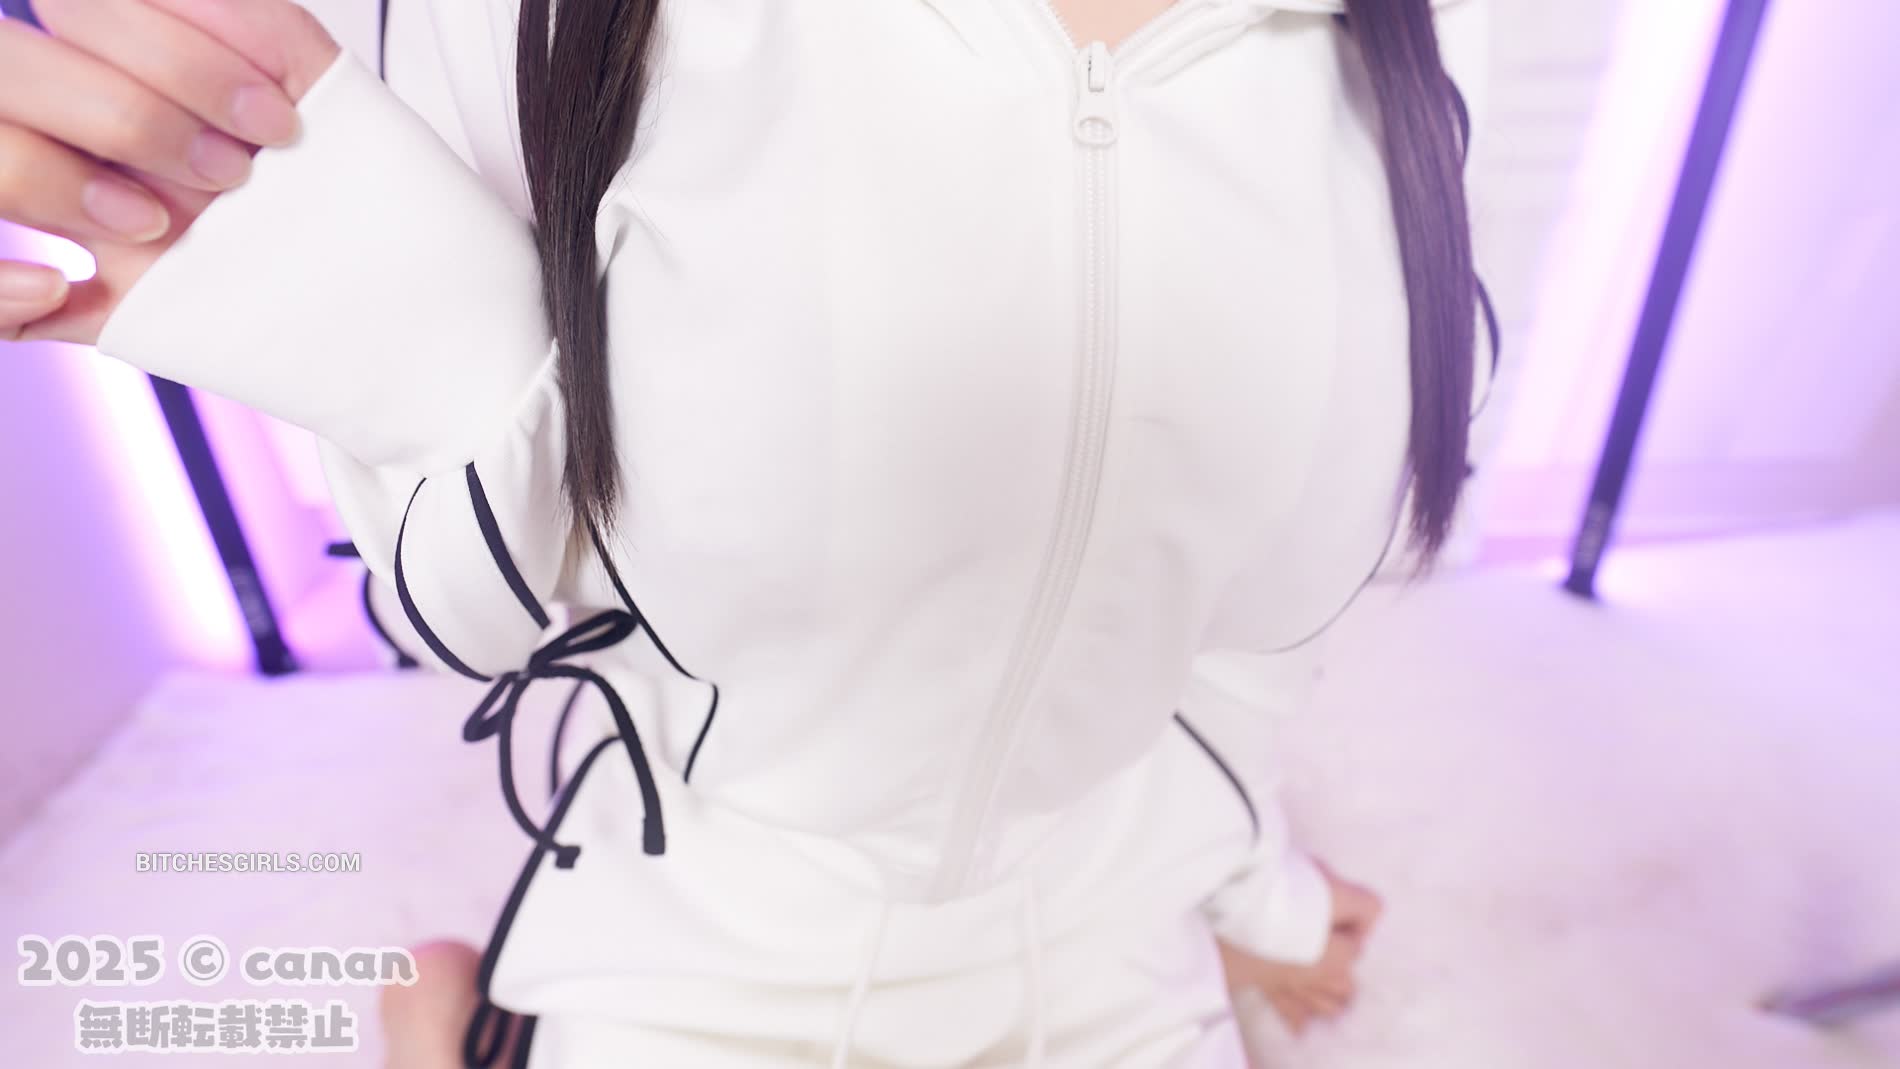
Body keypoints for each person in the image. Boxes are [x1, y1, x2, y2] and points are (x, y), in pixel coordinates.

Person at [0, 0, 1491, 1064]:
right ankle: (463, 1022)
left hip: (1116, 919)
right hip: (692, 935)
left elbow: (1247, 630)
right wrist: (388, 323)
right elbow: (477, 619)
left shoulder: (1400, 44)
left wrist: (1257, 893)